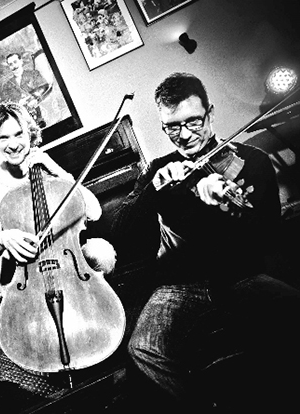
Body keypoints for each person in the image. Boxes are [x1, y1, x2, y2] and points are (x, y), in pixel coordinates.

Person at [111, 72, 300, 411]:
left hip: (241, 275)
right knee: (143, 349)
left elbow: (268, 236)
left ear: (210, 113)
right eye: (172, 127)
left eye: (193, 122)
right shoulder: (159, 170)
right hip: (178, 284)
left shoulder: (252, 161)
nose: (184, 135)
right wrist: (154, 189)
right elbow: (121, 232)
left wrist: (228, 207)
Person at [0, 102, 117, 296]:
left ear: (30, 134)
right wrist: (1, 238)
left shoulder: (48, 169)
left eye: (19, 134)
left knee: (101, 252)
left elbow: (94, 212)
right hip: (23, 275)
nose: (13, 145)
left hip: (66, 259)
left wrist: (58, 172)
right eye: (3, 138)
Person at [0, 53, 50, 129]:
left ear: (21, 61)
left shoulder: (33, 74)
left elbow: (44, 86)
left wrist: (34, 98)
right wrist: (18, 102)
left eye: (15, 62)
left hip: (41, 112)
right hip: (23, 122)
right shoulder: (7, 85)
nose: (14, 66)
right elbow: (3, 102)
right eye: (10, 64)